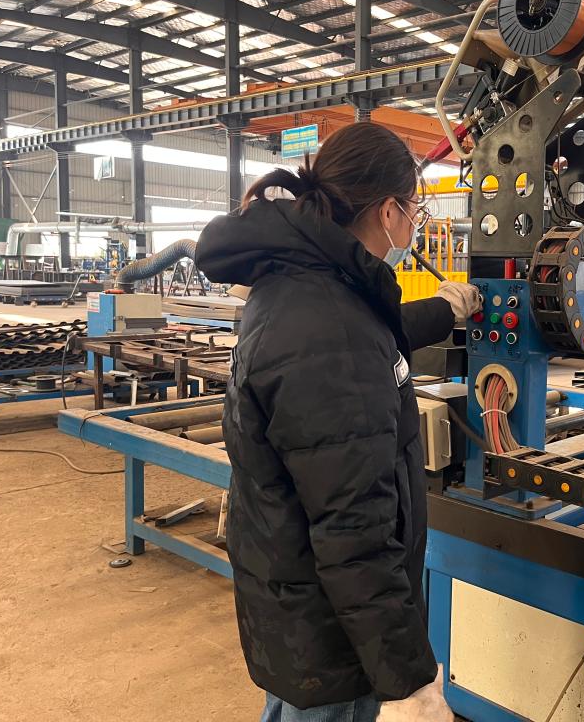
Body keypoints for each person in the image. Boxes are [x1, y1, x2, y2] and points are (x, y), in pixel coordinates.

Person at [195, 122, 482, 722]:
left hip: (300, 602)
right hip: (338, 635)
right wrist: (409, 683)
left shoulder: (304, 282)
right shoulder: (331, 330)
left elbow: (372, 332)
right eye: (415, 209)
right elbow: (355, 535)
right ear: (388, 212)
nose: (415, 224)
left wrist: (445, 309)